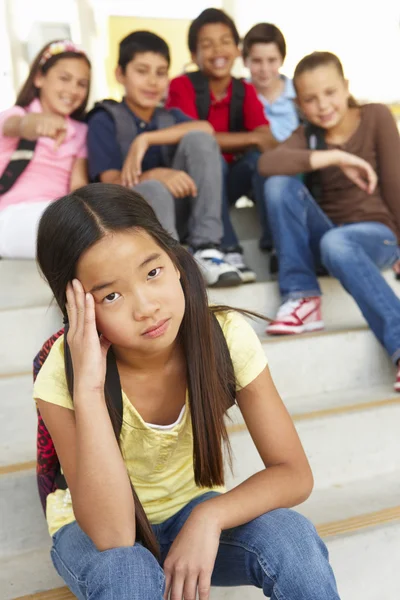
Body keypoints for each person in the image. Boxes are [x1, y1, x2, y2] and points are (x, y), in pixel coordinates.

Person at [33, 183, 340, 600]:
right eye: (112, 295)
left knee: (290, 535)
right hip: (93, 533)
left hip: (188, 511)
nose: (146, 307)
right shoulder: (62, 375)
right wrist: (88, 387)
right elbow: (114, 535)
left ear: (176, 261)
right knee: (128, 569)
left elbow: (293, 473)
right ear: (76, 307)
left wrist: (209, 517)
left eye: (153, 272)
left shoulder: (223, 336)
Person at [258, 51, 400, 392]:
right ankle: (303, 296)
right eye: (310, 98)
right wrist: (332, 156)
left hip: (377, 235)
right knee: (278, 185)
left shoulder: (375, 116)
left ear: (346, 86)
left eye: (330, 92)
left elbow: (396, 182)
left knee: (337, 242)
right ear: (299, 104)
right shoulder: (308, 135)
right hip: (329, 239)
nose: (322, 105)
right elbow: (267, 164)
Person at [87, 31, 240, 288]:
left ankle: (206, 248)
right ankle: (172, 263)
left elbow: (206, 129)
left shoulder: (169, 117)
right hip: (132, 224)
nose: (152, 81)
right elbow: (109, 183)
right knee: (153, 188)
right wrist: (156, 174)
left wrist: (145, 140)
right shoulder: (105, 120)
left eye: (160, 73)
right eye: (142, 71)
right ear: (120, 74)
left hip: (179, 215)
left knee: (199, 140)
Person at [167, 8, 278, 282]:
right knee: (210, 154)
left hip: (229, 183)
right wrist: (249, 138)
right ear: (194, 55)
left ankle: (275, 245)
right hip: (193, 187)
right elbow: (192, 136)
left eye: (225, 41)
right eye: (207, 44)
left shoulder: (244, 90)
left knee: (258, 161)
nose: (218, 49)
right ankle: (226, 247)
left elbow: (266, 140)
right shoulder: (182, 86)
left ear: (238, 49)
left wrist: (252, 140)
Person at [0, 39, 90, 259]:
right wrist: (36, 123)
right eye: (64, 78)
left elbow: (78, 185)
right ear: (39, 78)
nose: (73, 89)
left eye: (81, 83)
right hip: (12, 215)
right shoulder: (17, 115)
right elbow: (17, 126)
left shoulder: (81, 131)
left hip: (60, 214)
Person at [242, 23, 299, 143]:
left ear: (282, 60)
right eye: (257, 61)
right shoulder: (237, 94)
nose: (264, 69)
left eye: (272, 60)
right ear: (245, 61)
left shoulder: (298, 92)